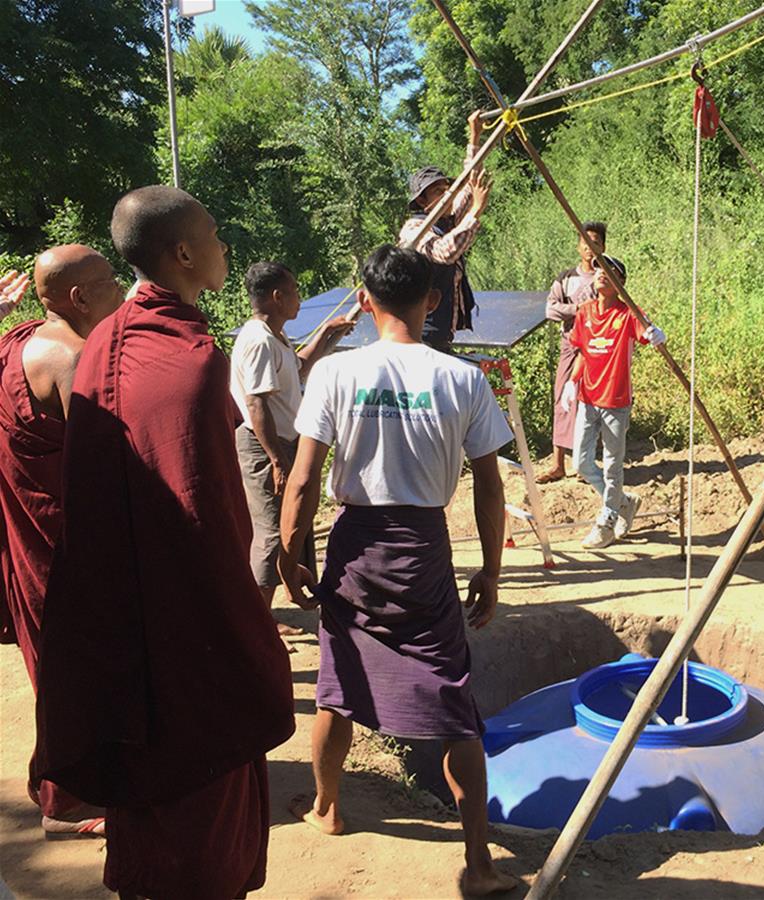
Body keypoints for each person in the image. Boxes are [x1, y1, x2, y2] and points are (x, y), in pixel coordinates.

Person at [32, 186, 295, 898]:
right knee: (201, 836)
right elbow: (207, 522)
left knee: (151, 820)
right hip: (183, 642)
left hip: (122, 629)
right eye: (213, 234)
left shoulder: (111, 341)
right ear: (182, 253)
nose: (222, 246)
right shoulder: (190, 359)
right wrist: (245, 638)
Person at [278, 244, 518, 896]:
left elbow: (302, 480)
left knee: (338, 684)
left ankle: (328, 809)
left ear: (363, 302)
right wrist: (492, 568)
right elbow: (490, 488)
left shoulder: (334, 373)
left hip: (355, 548)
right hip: (423, 549)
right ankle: (480, 863)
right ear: (433, 300)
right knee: (454, 702)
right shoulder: (461, 378)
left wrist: (290, 551)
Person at [0, 245, 122, 836]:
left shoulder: (17, 341)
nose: (120, 289)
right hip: (65, 547)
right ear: (79, 297)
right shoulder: (74, 358)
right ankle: (69, 800)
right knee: (79, 669)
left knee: (55, 667)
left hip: (29, 539)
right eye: (109, 281)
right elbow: (104, 472)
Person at [230, 261, 353, 637]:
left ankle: (284, 600)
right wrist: (277, 460)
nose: (300, 298)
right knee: (270, 532)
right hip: (265, 446)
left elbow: (298, 368)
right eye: (295, 291)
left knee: (292, 524)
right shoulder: (258, 341)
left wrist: (327, 334)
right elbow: (256, 404)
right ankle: (257, 624)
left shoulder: (275, 336)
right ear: (277, 297)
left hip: (284, 443)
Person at [561, 256, 666, 549]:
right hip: (588, 398)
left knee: (612, 466)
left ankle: (606, 522)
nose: (601, 274)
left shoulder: (628, 313)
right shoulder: (585, 312)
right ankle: (623, 502)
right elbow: (582, 351)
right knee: (581, 462)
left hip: (615, 401)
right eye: (597, 270)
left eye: (609, 271)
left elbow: (649, 334)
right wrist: (572, 382)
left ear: (620, 281)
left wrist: (657, 335)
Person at [399, 111, 491, 351]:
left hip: (440, 332)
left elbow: (470, 186)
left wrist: (475, 136)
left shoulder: (447, 220)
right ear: (422, 201)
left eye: (446, 189)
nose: (447, 196)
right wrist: (477, 209)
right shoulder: (414, 229)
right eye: (439, 192)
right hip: (420, 333)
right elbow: (444, 252)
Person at [539, 221, 607, 484]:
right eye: (586, 242)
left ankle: (584, 464)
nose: (590, 249)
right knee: (563, 399)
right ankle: (558, 463)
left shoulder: (606, 276)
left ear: (603, 246)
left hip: (598, 348)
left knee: (592, 405)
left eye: (596, 243)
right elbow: (551, 309)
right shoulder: (567, 278)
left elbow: (609, 307)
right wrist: (579, 309)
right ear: (579, 246)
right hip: (571, 345)